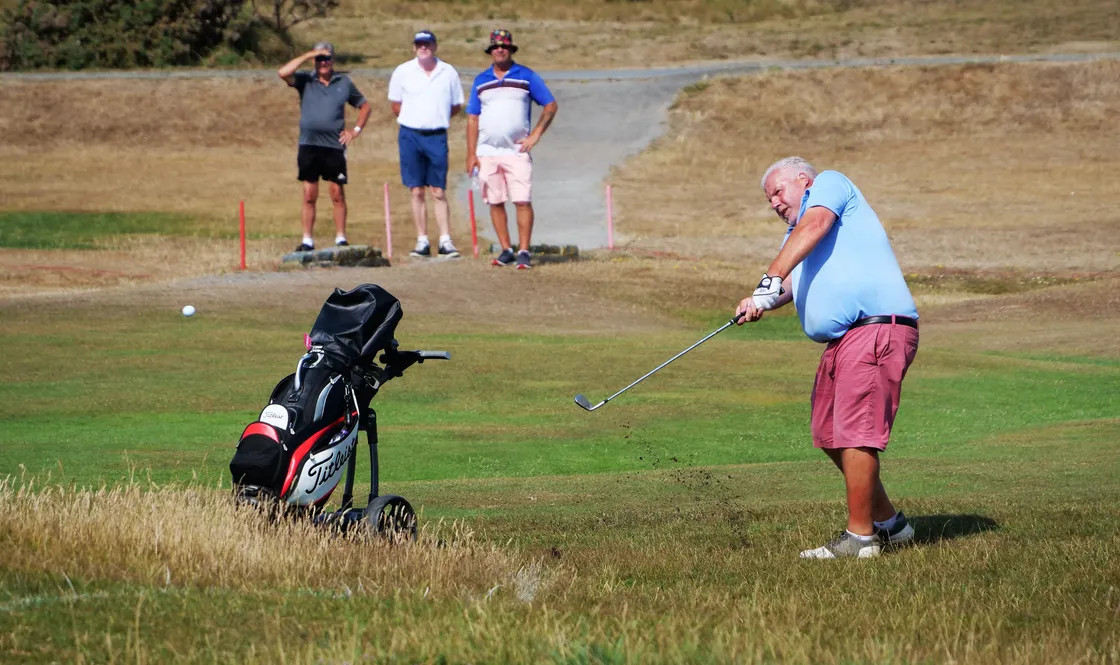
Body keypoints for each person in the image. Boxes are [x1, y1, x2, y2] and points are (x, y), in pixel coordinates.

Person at [735, 156, 920, 559]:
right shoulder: (795, 236)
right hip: (842, 341)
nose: (773, 203)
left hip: (874, 328)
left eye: (777, 192)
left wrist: (769, 279)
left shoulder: (830, 186)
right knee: (830, 435)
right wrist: (761, 299)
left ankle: (860, 539)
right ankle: (892, 525)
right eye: (768, 199)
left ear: (802, 180)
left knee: (855, 434)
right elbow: (789, 284)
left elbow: (814, 226)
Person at [465, 29, 558, 270]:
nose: (500, 50)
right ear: (490, 50)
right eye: (496, 47)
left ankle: (524, 251)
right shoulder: (481, 80)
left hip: (516, 151)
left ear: (511, 49)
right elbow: (472, 118)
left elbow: (550, 105)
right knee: (495, 201)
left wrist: (535, 135)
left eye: (504, 47)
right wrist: (471, 154)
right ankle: (506, 249)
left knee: (522, 200)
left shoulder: (525, 76)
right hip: (487, 151)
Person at [278, 42, 371, 252]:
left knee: (337, 192)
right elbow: (283, 72)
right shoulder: (305, 80)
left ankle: (340, 238)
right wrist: (310, 54)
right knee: (309, 193)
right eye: (320, 59)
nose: (323, 63)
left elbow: (364, 106)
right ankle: (307, 240)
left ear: (333, 60)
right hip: (309, 144)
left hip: (334, 146)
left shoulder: (343, 82)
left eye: (327, 58)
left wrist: (355, 131)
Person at [388, 30, 465, 259]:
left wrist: (436, 118)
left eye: (428, 44)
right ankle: (422, 240)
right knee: (416, 190)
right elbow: (395, 104)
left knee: (438, 190)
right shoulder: (403, 71)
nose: (424, 48)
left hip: (437, 135)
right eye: (420, 44)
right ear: (414, 47)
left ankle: (445, 240)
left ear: (435, 46)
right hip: (410, 135)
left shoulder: (447, 71)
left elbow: (456, 105)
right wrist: (416, 119)